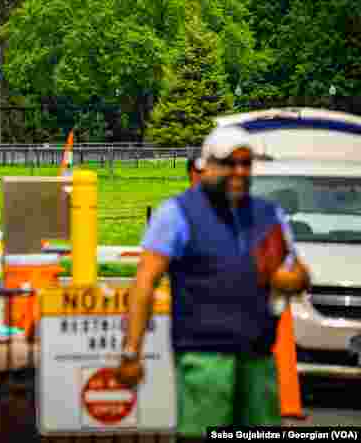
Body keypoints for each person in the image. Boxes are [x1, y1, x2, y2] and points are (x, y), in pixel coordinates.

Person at [117, 126, 311, 441]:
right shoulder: (177, 214)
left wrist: (288, 278)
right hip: (204, 360)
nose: (238, 172)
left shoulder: (268, 215)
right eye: (228, 163)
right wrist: (131, 353)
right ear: (206, 165)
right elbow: (144, 284)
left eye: (246, 164)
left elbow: (298, 275)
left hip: (258, 359)